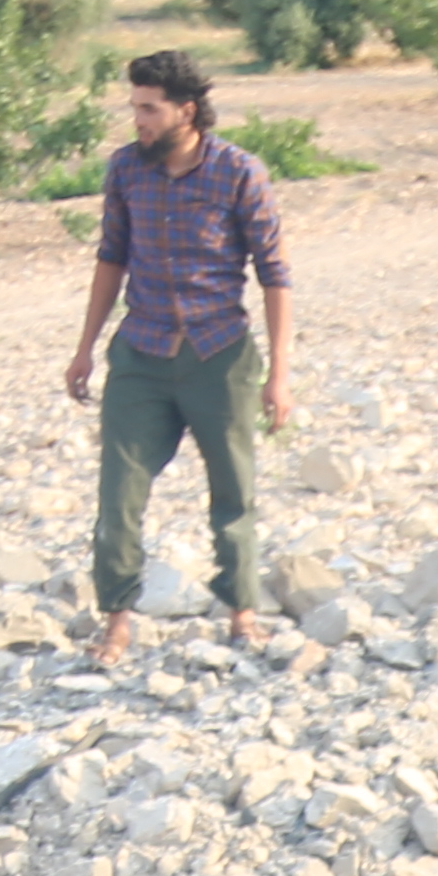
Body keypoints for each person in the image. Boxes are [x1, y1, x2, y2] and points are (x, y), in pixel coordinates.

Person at [65, 47, 296, 666]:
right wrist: (85, 348)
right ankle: (116, 621)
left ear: (186, 112)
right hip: (141, 352)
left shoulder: (239, 173)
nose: (137, 120)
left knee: (232, 491)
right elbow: (111, 257)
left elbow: (275, 275)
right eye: (134, 106)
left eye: (148, 109)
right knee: (119, 494)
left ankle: (242, 612)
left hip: (219, 354)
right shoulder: (126, 171)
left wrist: (279, 376)